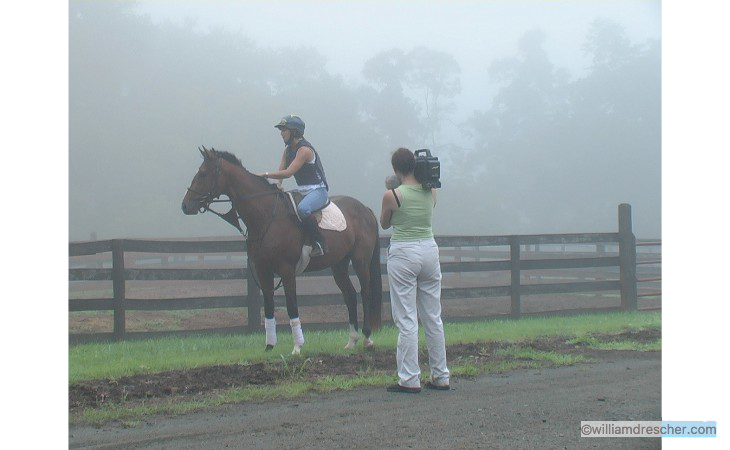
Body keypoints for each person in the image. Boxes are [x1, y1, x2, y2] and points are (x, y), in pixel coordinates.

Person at [380, 147, 450, 393]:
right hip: (430, 251)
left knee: (407, 318)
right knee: (433, 316)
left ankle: (409, 379)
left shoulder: (392, 195)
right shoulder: (431, 191)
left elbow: (385, 223)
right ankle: (441, 376)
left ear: (396, 169)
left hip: (404, 252)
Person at [262, 115, 329, 256]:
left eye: (284, 130)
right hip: (301, 191)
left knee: (303, 209)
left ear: (294, 131)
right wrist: (277, 185)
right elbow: (281, 170)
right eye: (281, 130)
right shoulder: (288, 151)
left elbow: (288, 173)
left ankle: (319, 243)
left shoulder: (304, 150)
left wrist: (266, 175)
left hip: (317, 191)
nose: (281, 133)